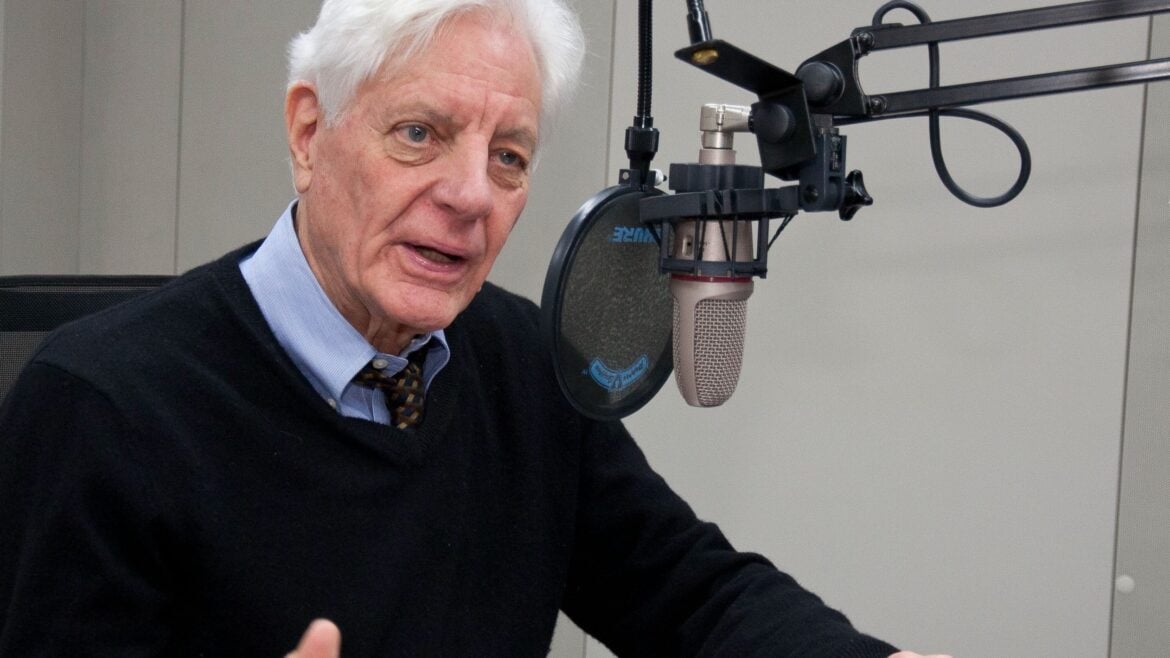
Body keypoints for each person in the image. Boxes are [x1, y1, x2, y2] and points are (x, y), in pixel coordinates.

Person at [0, 1, 951, 656]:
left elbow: (689, 594)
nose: (469, 197)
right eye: (419, 134)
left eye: (508, 156)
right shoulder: (102, 406)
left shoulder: (522, 359)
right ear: (307, 133)